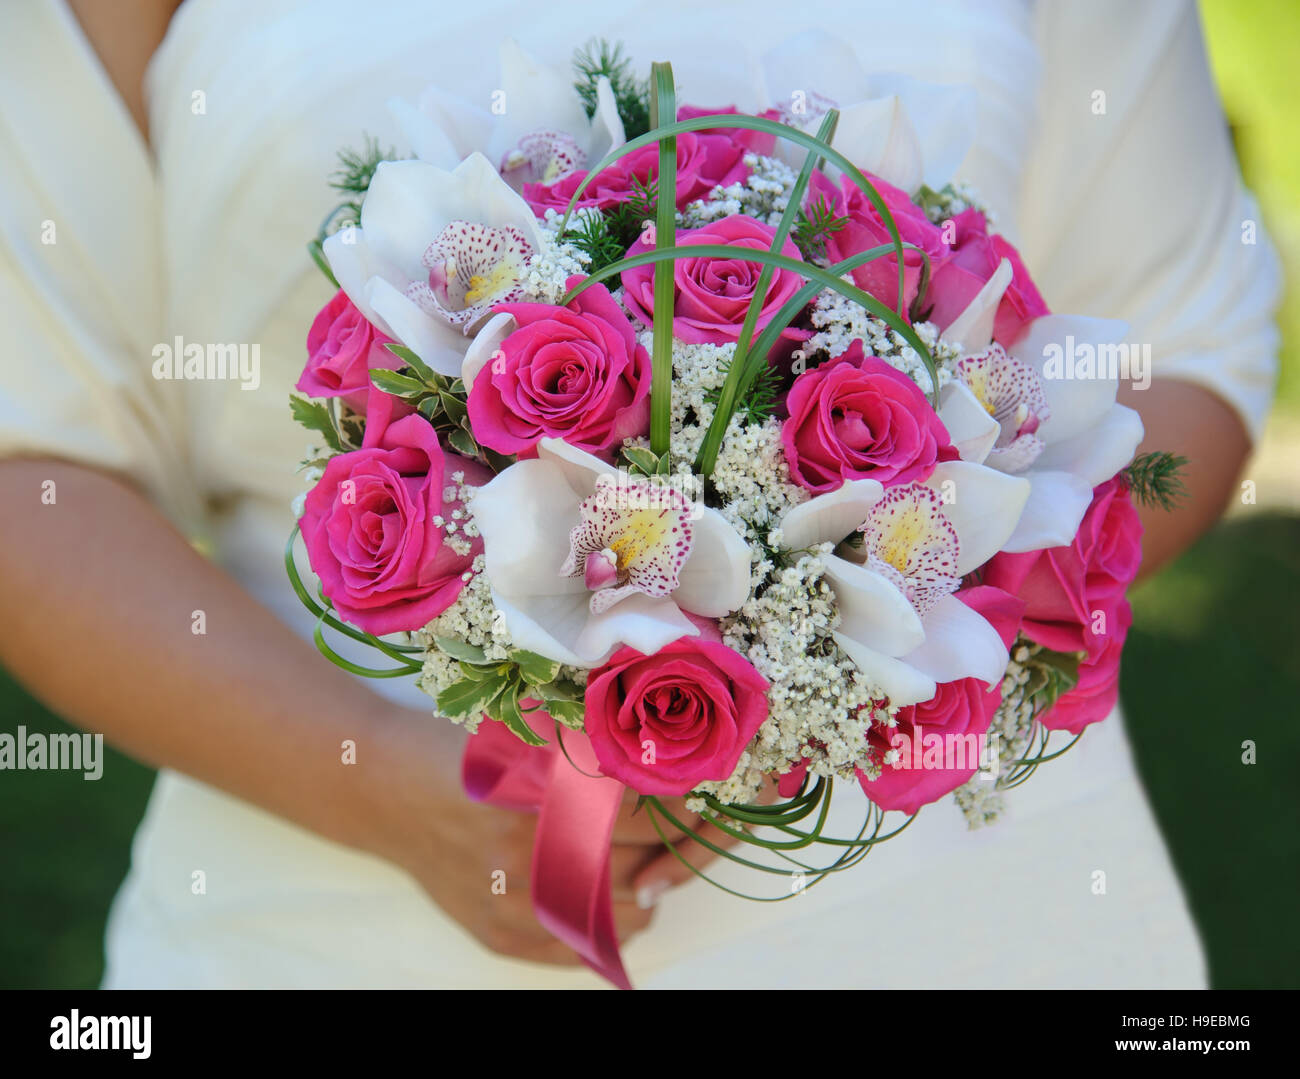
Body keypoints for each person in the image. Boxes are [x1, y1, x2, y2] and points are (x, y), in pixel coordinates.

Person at [0, 0, 1278, 988]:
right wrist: (394, 792)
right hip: (331, 891)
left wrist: (824, 657)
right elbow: (31, 467)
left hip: (952, 899)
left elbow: (1179, 352)